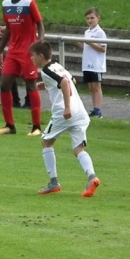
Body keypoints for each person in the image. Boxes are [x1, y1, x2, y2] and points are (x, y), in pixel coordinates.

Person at [28, 40, 100, 197]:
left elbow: (65, 83)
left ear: (40, 56)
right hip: (79, 111)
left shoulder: (46, 70)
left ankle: (53, 183)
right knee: (78, 148)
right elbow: (72, 80)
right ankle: (92, 177)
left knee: (46, 142)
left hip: (64, 112)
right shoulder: (57, 65)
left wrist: (67, 107)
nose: (31, 59)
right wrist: (47, 85)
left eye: (32, 55)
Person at [0, 0, 43, 136]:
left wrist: (40, 44)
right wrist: (0, 50)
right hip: (13, 51)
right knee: (4, 85)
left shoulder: (29, 3)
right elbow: (8, 28)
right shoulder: (5, 4)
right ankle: (10, 125)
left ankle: (36, 127)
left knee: (31, 85)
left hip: (28, 51)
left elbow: (39, 23)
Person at [79, 7, 106, 118]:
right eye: (88, 18)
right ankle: (94, 109)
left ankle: (98, 110)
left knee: (96, 87)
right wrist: (79, 44)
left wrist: (90, 43)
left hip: (96, 64)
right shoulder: (87, 32)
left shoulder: (100, 32)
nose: (90, 20)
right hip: (87, 63)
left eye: (92, 18)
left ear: (98, 18)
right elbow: (87, 47)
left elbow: (103, 49)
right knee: (91, 87)